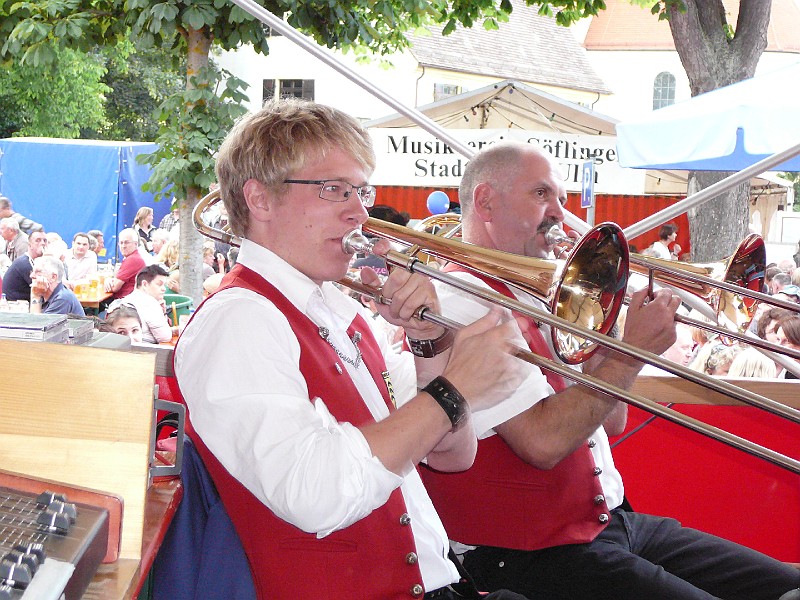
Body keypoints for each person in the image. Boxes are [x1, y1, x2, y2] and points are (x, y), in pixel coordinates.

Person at [173, 99, 530, 600]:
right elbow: (314, 494)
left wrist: (430, 343)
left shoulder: (341, 312)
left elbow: (453, 455)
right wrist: (455, 388)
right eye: (333, 189)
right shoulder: (239, 319)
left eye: (361, 191)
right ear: (260, 199)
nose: (359, 212)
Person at [420, 142, 800, 600]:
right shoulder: (460, 302)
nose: (560, 213)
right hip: (530, 553)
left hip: (609, 524)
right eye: (542, 194)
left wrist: (609, 319)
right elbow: (543, 443)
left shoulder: (540, 292)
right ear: (485, 202)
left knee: (787, 585)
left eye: (561, 198)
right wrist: (631, 353)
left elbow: (611, 419)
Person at [117, 264, 175, 344]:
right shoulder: (150, 303)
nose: (164, 289)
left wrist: (163, 312)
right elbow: (165, 337)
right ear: (144, 284)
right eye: (159, 284)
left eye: (164, 285)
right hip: (143, 348)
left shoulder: (126, 300)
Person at [2, 230, 48, 301]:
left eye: (45, 240)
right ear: (29, 245)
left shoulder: (34, 262)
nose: (42, 243)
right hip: (17, 305)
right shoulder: (24, 263)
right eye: (38, 240)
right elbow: (45, 288)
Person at [105, 228, 146, 301]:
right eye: (121, 243)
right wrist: (109, 280)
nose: (123, 246)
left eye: (126, 242)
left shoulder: (132, 259)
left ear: (136, 244)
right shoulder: (133, 257)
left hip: (126, 302)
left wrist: (106, 282)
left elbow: (114, 288)